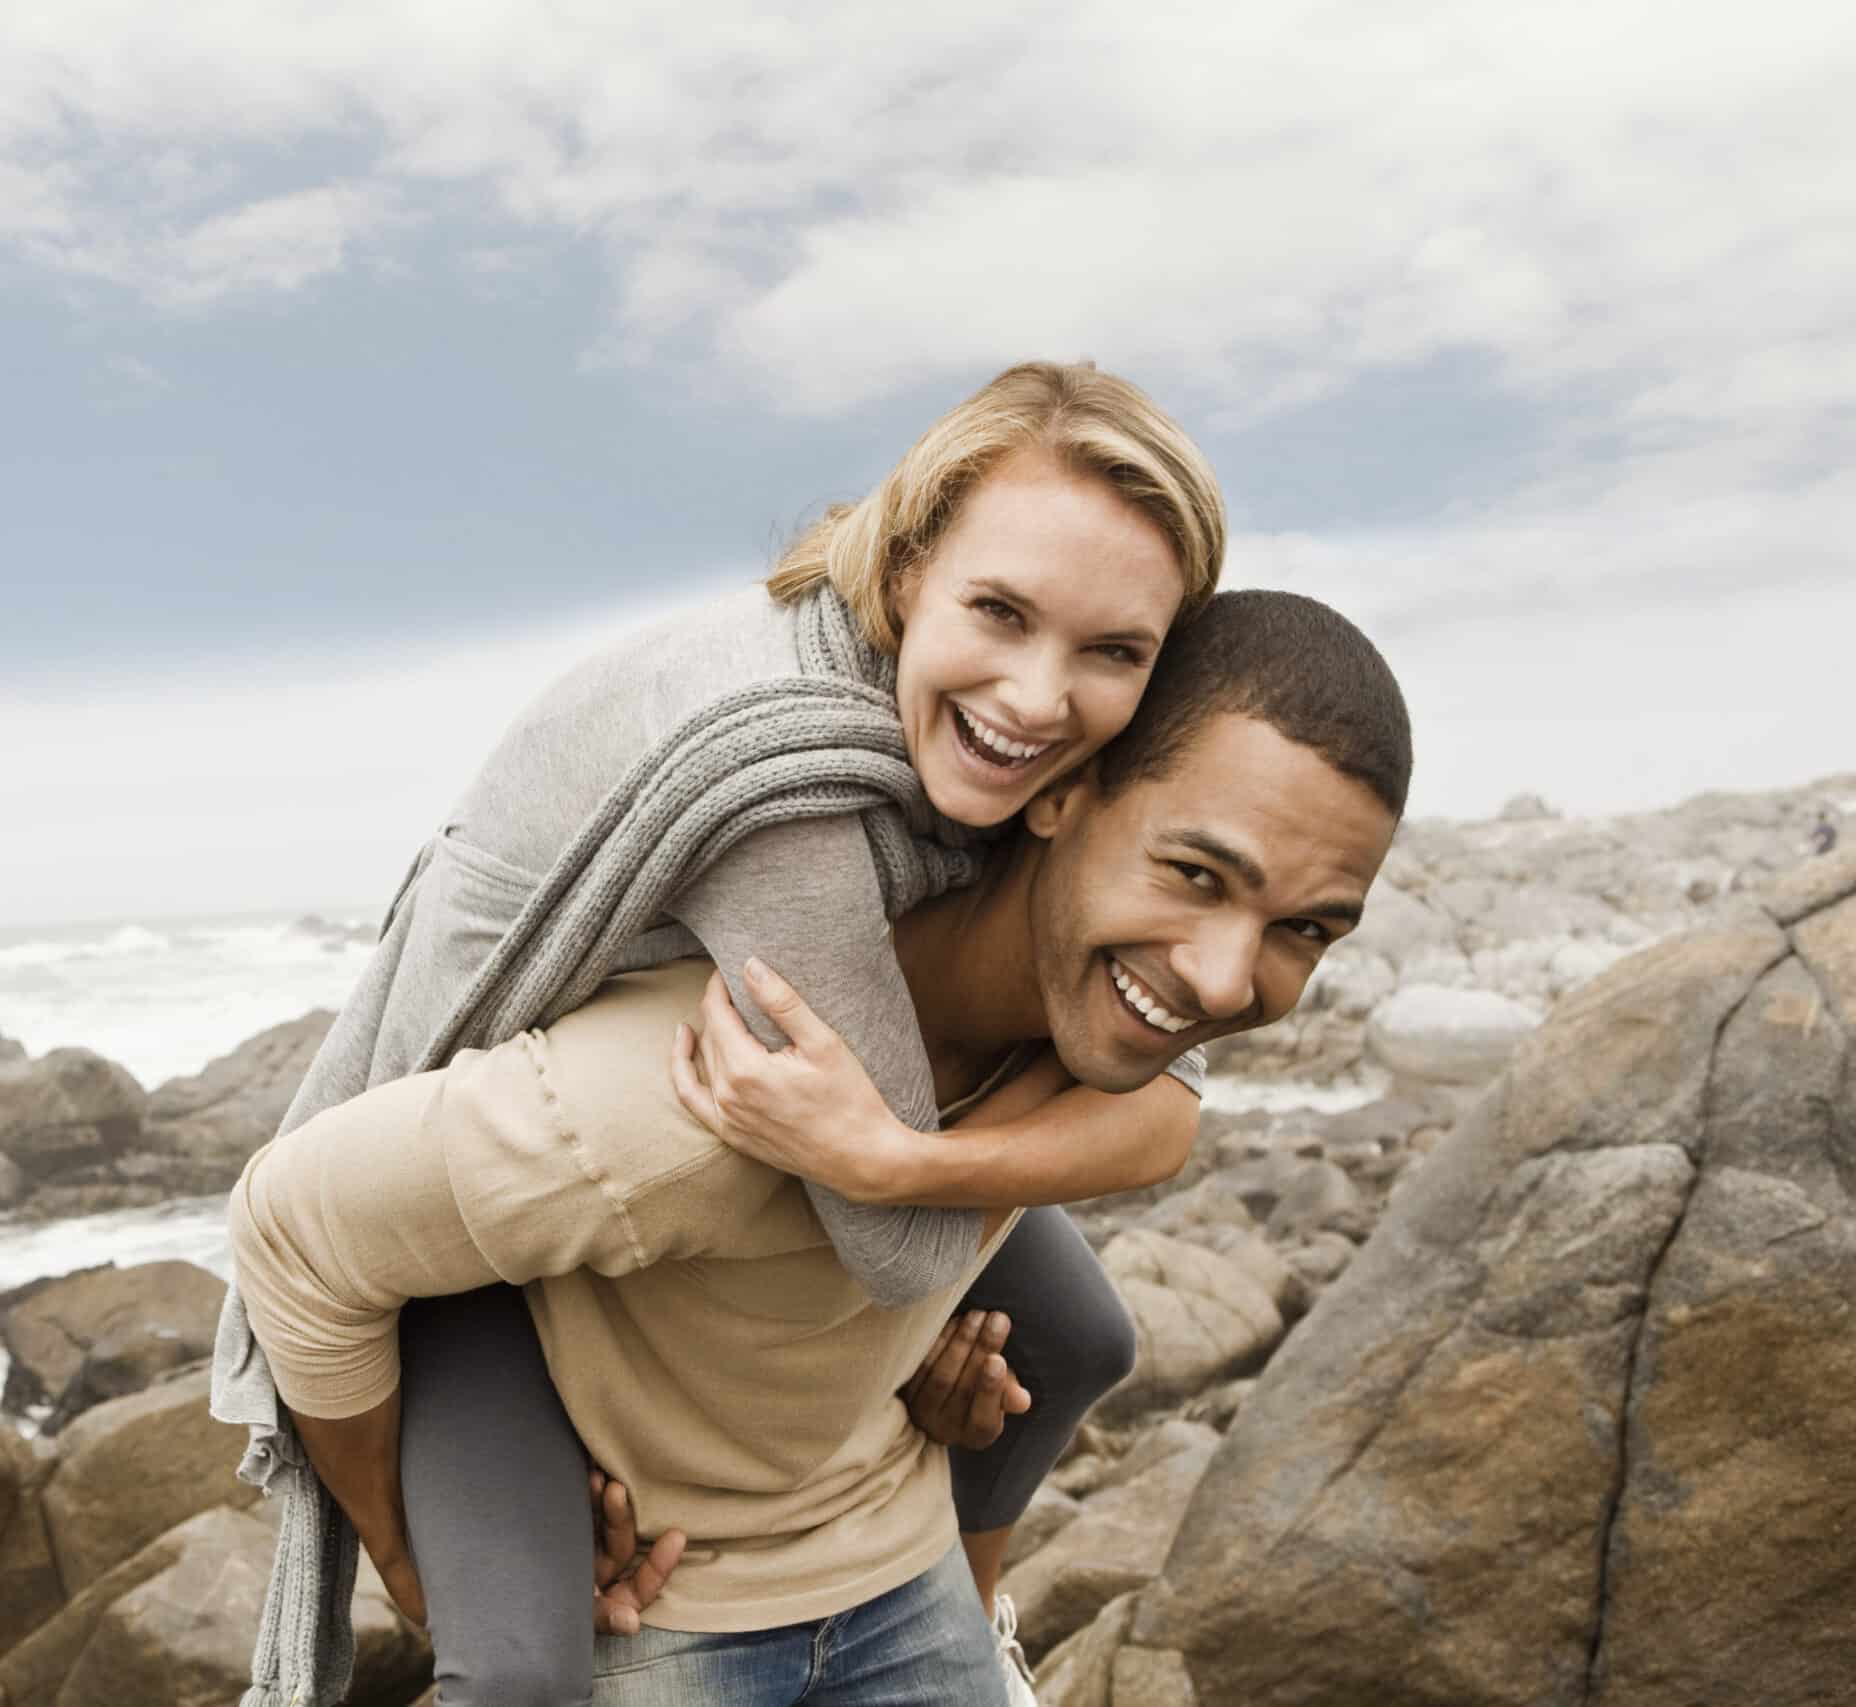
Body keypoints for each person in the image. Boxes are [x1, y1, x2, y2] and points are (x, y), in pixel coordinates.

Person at [210, 361, 1229, 1706]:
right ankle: (431, 1587)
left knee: (1074, 1337)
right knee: (518, 1673)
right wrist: (413, 1567)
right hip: (464, 1184)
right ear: (913, 565)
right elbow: (893, 1242)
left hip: (782, 1074)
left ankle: (972, 1615)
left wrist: (908, 1193)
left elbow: (1168, 1083)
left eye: (1112, 652)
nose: (1041, 701)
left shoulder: (970, 739)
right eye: (1001, 612)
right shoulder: (787, 782)